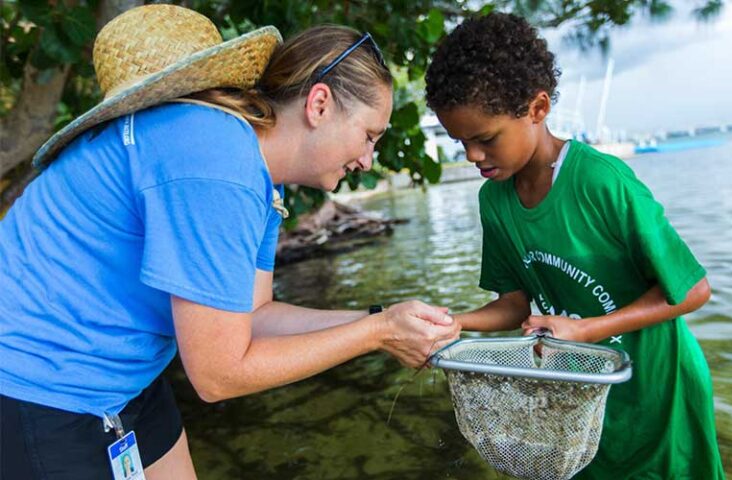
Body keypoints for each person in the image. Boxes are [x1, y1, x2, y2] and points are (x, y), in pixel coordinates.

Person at [0, 5, 460, 479]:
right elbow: (217, 375)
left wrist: (377, 320)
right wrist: (376, 334)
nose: (367, 159)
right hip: (40, 383)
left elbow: (255, 316)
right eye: (368, 136)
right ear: (319, 104)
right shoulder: (217, 163)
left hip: (128, 376)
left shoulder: (260, 175)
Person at [425, 12, 725, 479]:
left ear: (537, 108)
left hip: (657, 392)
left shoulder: (601, 183)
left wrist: (589, 329)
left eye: (485, 139)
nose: (471, 156)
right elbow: (515, 304)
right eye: (459, 141)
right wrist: (453, 323)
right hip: (577, 399)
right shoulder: (495, 200)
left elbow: (693, 290)